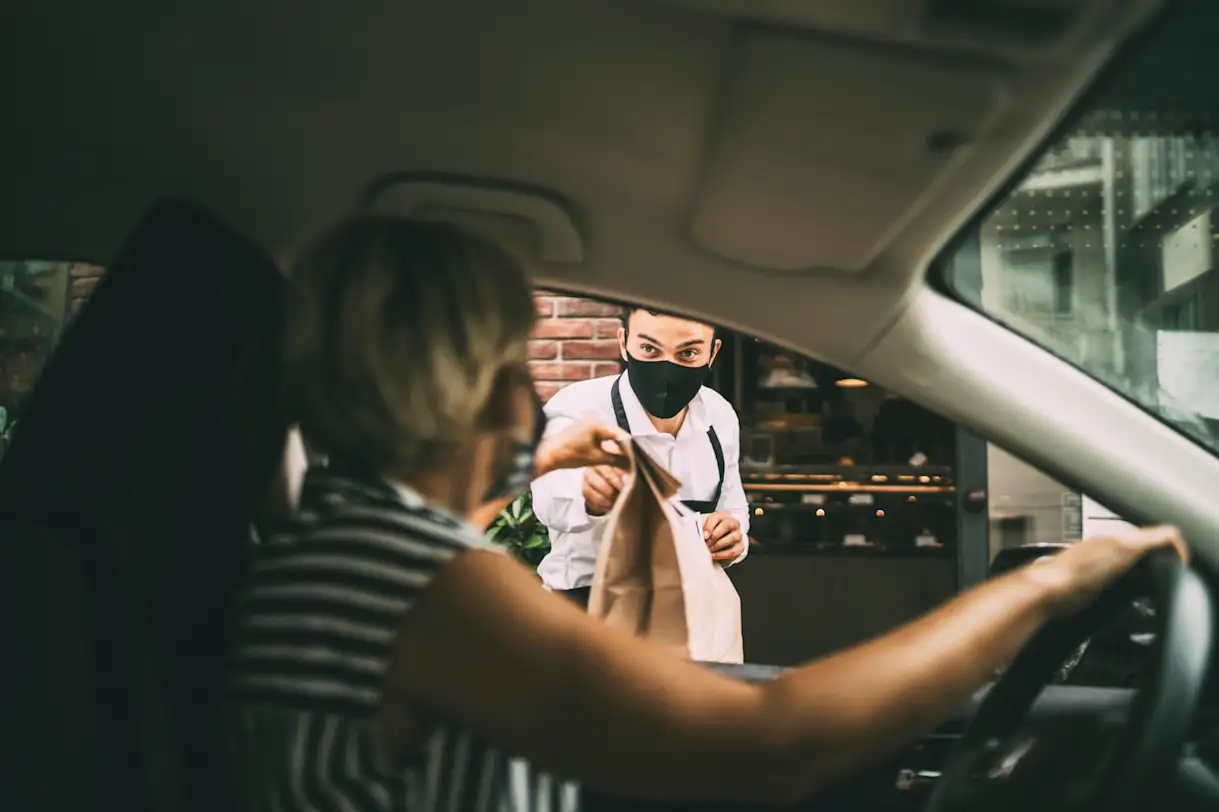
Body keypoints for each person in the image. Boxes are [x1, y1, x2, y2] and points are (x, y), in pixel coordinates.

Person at [224, 215, 1186, 812]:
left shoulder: (341, 550)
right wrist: (1049, 587)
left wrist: (528, 463)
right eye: (508, 362)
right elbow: (776, 744)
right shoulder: (414, 584)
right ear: (462, 386)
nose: (525, 393)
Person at [532, 307, 750, 607]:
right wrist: (590, 496)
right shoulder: (577, 407)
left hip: (689, 609)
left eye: (687, 354)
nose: (667, 369)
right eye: (649, 349)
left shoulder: (720, 413)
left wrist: (733, 539)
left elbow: (733, 508)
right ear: (623, 343)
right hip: (587, 609)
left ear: (712, 353)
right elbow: (549, 502)